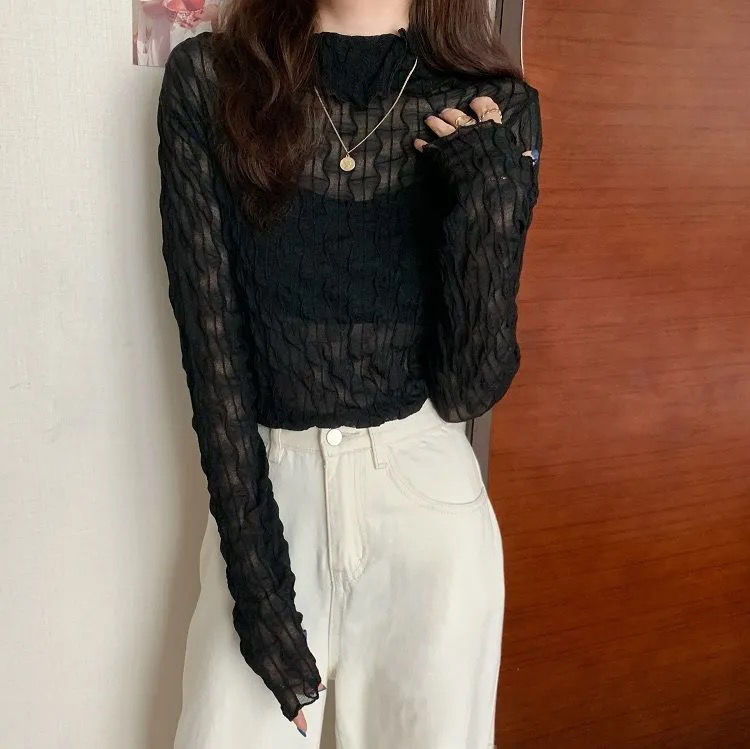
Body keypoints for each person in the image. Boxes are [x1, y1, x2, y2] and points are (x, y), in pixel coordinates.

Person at [156, 0, 542, 745]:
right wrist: (260, 591)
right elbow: (211, 356)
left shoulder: (495, 105)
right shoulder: (211, 79)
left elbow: (469, 389)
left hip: (427, 510)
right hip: (268, 497)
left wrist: (487, 206)